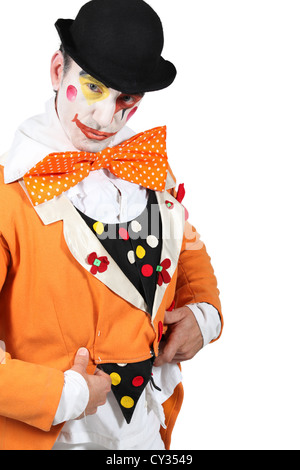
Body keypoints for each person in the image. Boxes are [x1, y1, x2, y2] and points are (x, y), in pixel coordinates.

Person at [0, 0, 223, 450]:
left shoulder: (149, 169)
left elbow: (188, 248)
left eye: (127, 98)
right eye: (93, 88)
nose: (107, 118)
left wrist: (205, 314)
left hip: (144, 431)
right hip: (52, 437)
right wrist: (59, 394)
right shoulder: (8, 197)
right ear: (58, 69)